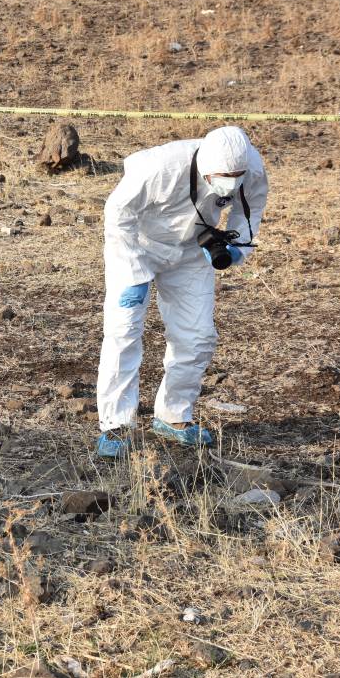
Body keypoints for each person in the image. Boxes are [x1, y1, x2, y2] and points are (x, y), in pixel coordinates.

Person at [95, 126, 268, 458]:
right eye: (223, 177)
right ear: (204, 166)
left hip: (191, 251)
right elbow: (118, 214)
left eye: (236, 176)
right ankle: (116, 425)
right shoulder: (158, 168)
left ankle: (173, 416)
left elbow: (251, 210)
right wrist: (131, 271)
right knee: (124, 330)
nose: (231, 183)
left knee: (198, 335)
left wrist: (236, 248)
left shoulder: (252, 167)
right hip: (138, 247)